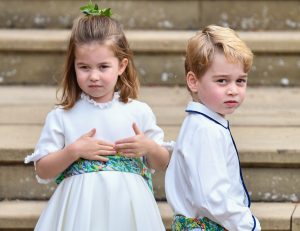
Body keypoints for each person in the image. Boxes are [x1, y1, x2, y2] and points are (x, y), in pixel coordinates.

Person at [24, 2, 170, 230]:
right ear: (73, 66)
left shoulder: (138, 111)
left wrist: (149, 147)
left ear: (121, 66)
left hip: (129, 210)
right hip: (79, 212)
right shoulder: (62, 116)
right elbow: (43, 170)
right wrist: (74, 151)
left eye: (103, 67)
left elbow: (164, 163)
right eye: (84, 67)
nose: (93, 76)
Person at [165, 25, 261, 231]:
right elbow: (212, 197)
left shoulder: (201, 124)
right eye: (222, 81)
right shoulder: (206, 130)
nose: (233, 90)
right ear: (193, 81)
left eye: (240, 81)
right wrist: (248, 225)